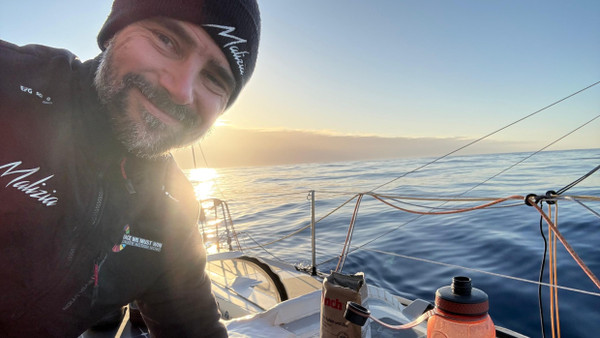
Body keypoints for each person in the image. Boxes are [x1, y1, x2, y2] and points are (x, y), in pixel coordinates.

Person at [0, 0, 260, 336]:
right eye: (166, 40)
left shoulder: (172, 212)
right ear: (114, 31)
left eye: (214, 78)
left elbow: (195, 328)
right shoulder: (10, 82)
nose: (180, 91)